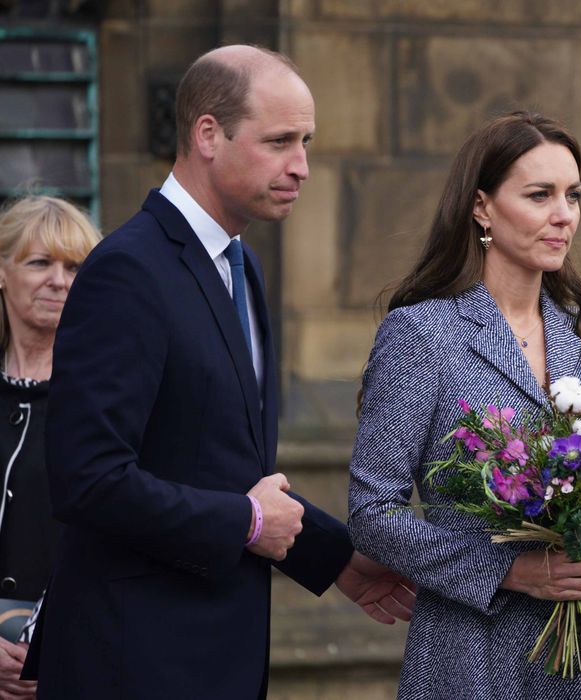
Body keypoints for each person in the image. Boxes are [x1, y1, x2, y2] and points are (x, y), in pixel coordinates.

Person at [22, 45, 415, 699]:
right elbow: (88, 480)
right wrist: (246, 523)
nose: (302, 166)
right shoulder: (128, 270)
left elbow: (223, 466)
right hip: (133, 664)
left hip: (217, 658)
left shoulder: (241, 265)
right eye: (280, 141)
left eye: (306, 143)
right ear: (208, 134)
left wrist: (336, 558)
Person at [347, 112, 581, 699]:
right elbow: (373, 515)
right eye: (540, 195)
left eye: (573, 195)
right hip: (475, 656)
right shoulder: (421, 334)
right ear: (482, 207)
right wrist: (513, 571)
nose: (564, 214)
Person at [0, 196, 100, 700]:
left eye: (75, 267)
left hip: (75, 655)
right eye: (40, 263)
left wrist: (46, 641)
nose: (59, 281)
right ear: (2, 273)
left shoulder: (107, 398)